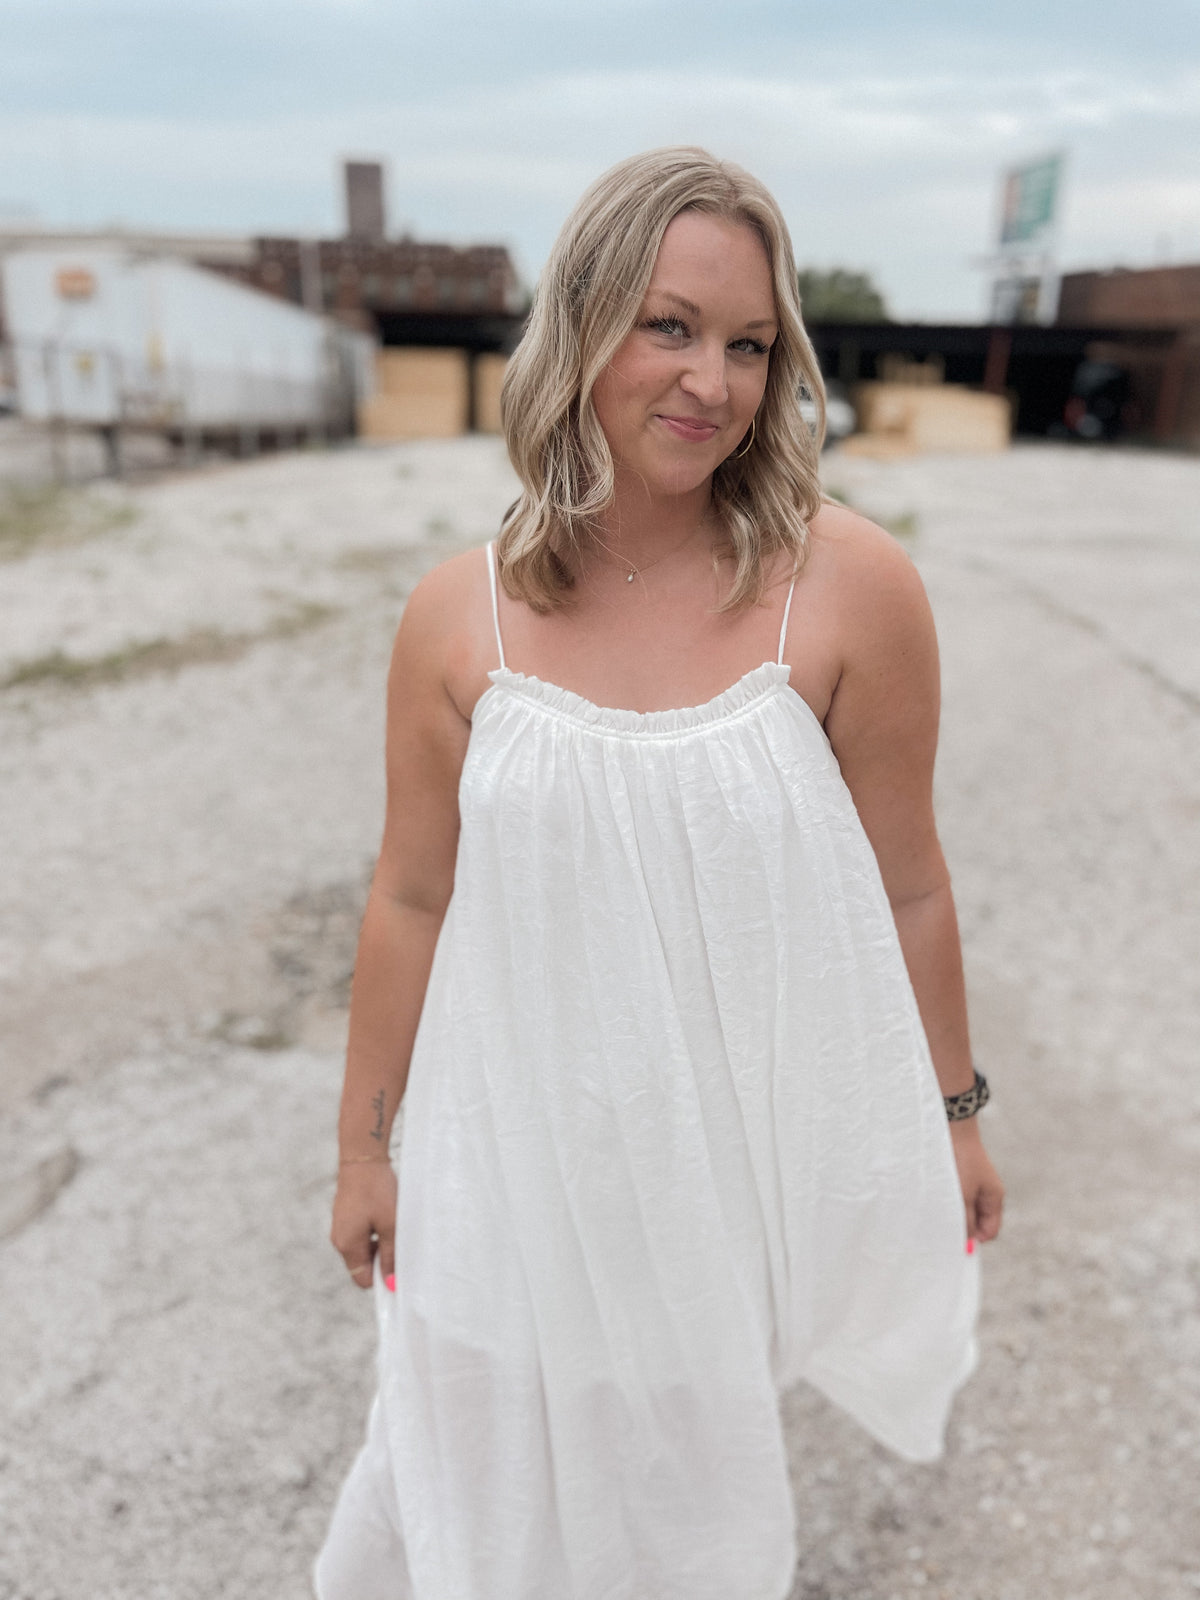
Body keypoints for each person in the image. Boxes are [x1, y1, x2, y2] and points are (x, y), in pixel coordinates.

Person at [314, 146, 1004, 1600]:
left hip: (711, 1183)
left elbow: (912, 886)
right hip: (497, 1160)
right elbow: (409, 896)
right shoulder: (462, 618)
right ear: (579, 328)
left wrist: (951, 1116)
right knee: (473, 1495)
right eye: (670, 326)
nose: (715, 382)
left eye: (750, 344)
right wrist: (365, 1149)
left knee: (682, 1528)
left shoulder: (848, 587)